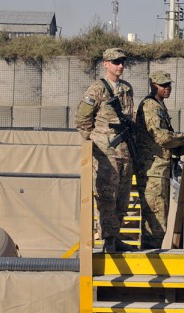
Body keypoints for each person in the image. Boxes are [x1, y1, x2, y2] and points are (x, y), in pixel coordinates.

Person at [75, 48, 134, 253]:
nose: (120, 66)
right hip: (105, 154)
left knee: (123, 197)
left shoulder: (127, 89)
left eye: (122, 62)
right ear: (105, 64)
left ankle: (115, 237)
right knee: (106, 196)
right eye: (116, 62)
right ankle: (108, 240)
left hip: (124, 151)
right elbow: (82, 119)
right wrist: (94, 140)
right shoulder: (96, 90)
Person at [135, 70, 184, 249]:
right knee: (156, 220)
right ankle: (151, 258)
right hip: (153, 170)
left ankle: (153, 254)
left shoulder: (159, 105)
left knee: (160, 216)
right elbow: (162, 137)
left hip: (160, 168)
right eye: (163, 85)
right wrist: (183, 140)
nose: (167, 88)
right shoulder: (150, 106)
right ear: (153, 86)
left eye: (169, 85)